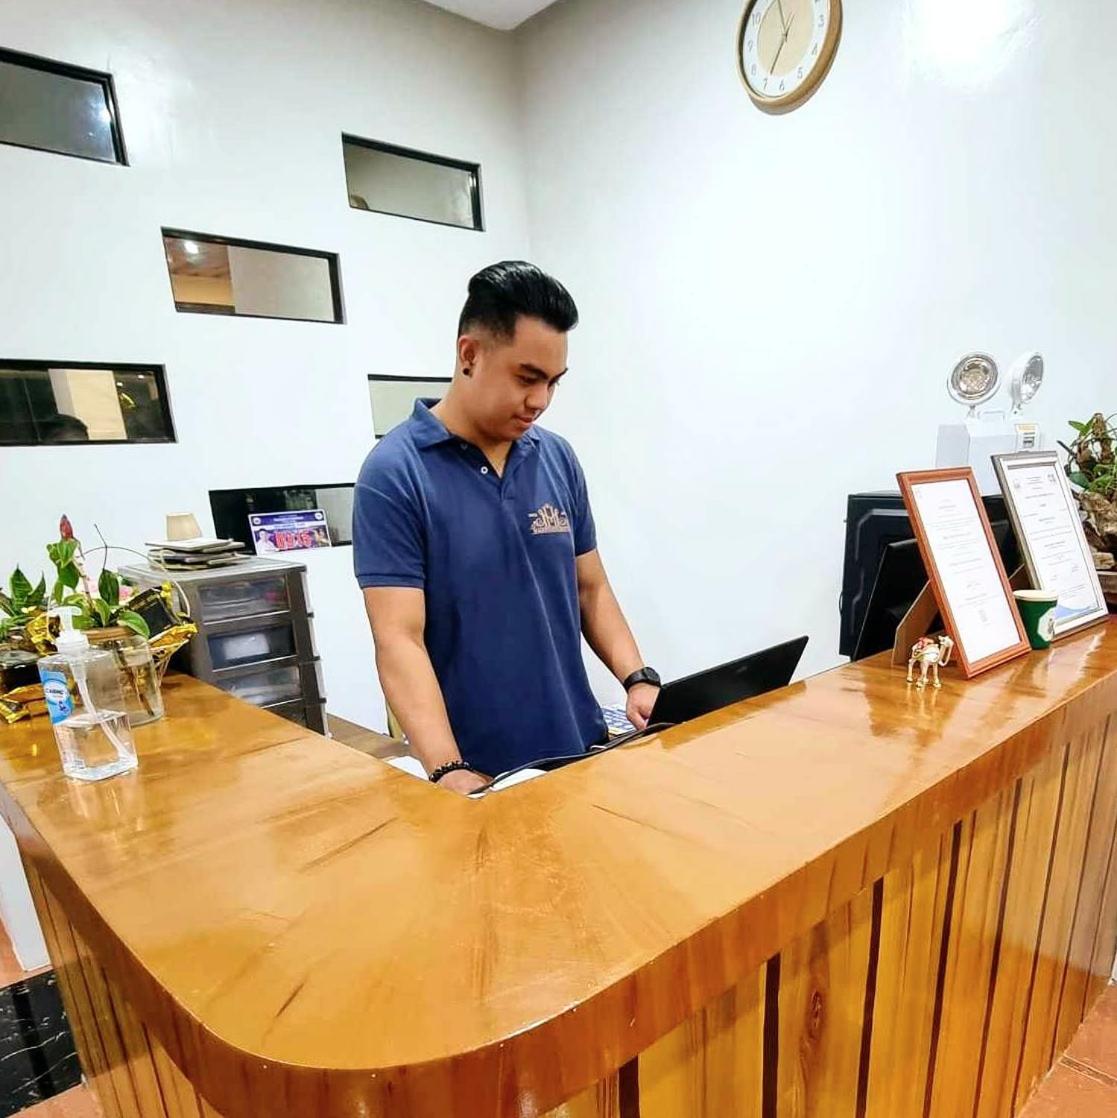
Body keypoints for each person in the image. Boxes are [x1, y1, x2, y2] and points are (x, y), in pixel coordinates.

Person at [353, 261, 659, 794]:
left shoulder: (556, 458)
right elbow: (399, 638)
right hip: (480, 773)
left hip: (579, 749)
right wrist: (447, 769)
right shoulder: (395, 473)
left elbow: (590, 588)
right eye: (527, 378)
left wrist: (638, 678)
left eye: (553, 382)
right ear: (469, 354)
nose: (540, 400)